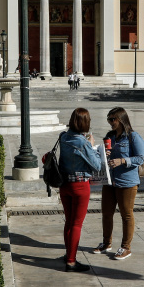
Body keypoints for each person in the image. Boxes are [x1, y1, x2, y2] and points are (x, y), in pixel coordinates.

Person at [52, 108, 103, 272]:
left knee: (69, 221)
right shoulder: (83, 143)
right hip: (80, 185)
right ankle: (72, 262)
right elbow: (97, 166)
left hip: (64, 184)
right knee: (76, 224)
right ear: (85, 123)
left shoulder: (63, 136)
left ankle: (69, 255)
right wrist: (92, 145)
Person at [95, 107, 144, 260]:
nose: (110, 123)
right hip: (110, 181)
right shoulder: (109, 136)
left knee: (126, 215)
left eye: (113, 119)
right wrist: (103, 153)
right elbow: (102, 156)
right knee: (106, 213)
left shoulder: (133, 137)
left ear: (121, 120)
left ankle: (126, 247)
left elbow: (141, 158)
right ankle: (106, 243)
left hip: (127, 182)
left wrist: (123, 160)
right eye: (108, 119)